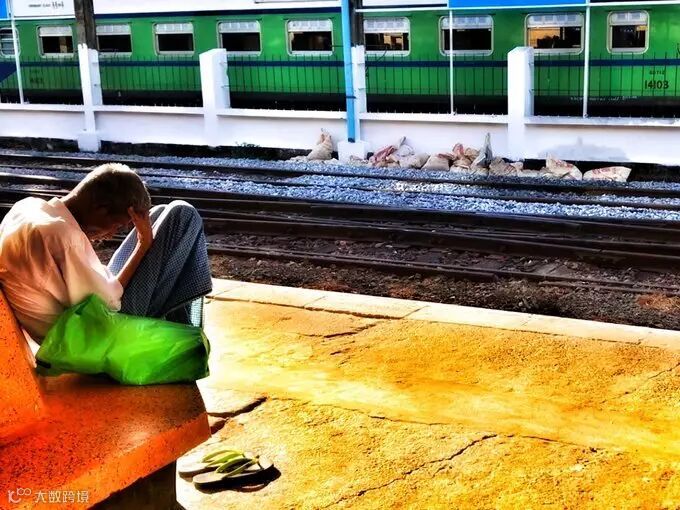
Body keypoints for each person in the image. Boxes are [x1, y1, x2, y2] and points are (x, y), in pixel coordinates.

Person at [0, 163, 212, 343]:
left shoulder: (27, 208)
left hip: (78, 320)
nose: (111, 235)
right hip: (86, 339)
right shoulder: (64, 237)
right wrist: (143, 245)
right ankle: (188, 336)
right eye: (117, 226)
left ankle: (183, 332)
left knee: (158, 215)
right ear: (100, 208)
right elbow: (109, 305)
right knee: (182, 215)